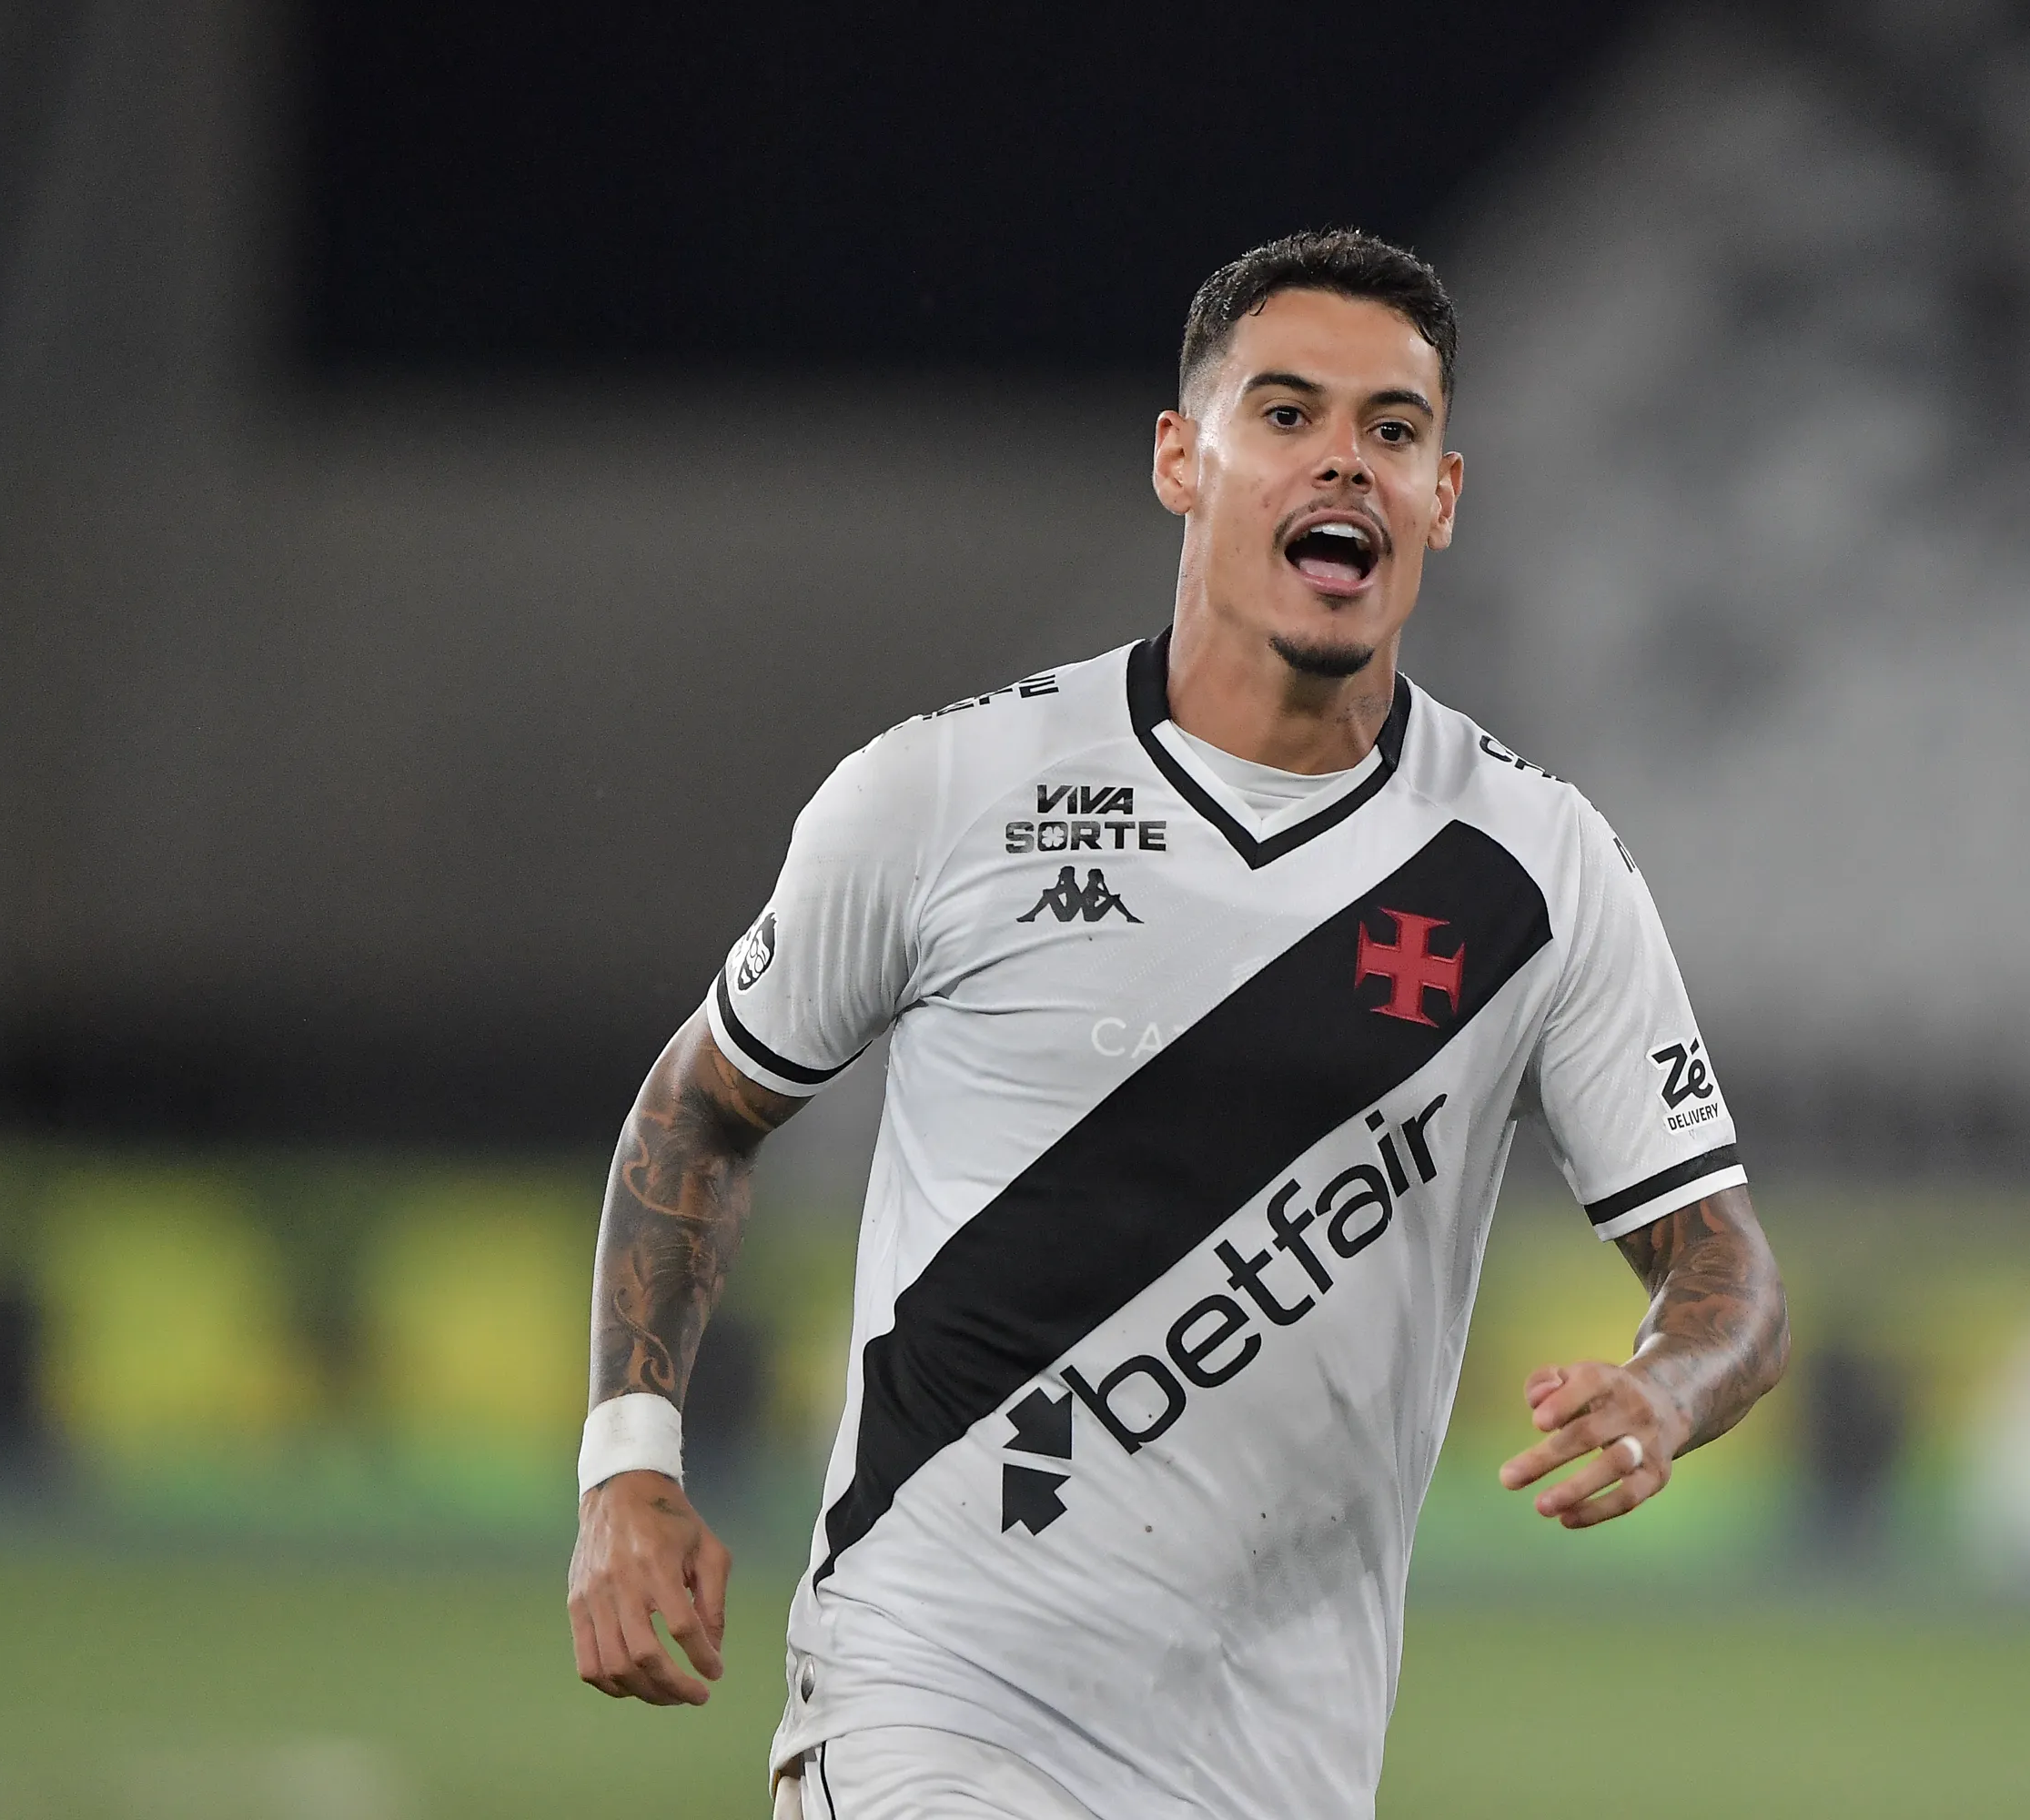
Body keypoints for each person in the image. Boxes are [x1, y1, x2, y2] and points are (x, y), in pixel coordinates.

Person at [566, 228, 1789, 1820]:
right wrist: (626, 1466)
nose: (1343, 461)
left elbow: (1729, 1270)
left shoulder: (1537, 870)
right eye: (1285, 416)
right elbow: (700, 1107)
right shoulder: (946, 795)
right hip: (931, 1699)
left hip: (1279, 1759)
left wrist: (1668, 1394)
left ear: (1443, 499)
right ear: (1181, 461)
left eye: (1392, 432)